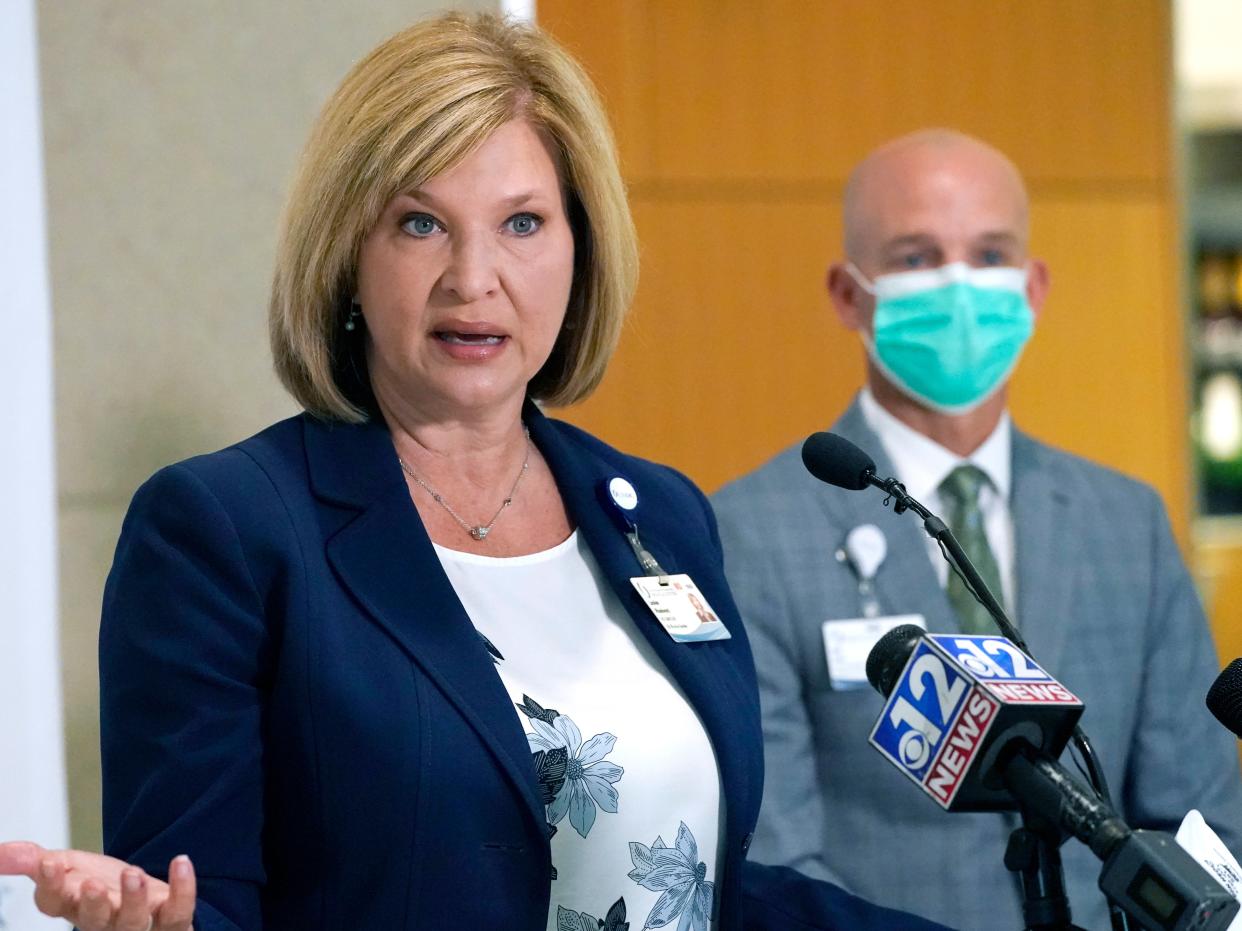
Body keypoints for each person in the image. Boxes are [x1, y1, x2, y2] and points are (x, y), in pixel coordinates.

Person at [0, 15, 953, 931]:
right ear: (347, 254)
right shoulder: (225, 531)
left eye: (523, 223)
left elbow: (703, 883)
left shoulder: (659, 513)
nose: (473, 277)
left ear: (581, 248)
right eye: (421, 224)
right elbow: (200, 894)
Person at [710, 128, 1242, 930]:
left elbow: (1198, 821)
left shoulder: (1124, 522)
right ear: (848, 293)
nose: (959, 285)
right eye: (917, 257)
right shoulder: (750, 530)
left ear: (1032, 288)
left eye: (990, 254)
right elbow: (777, 859)